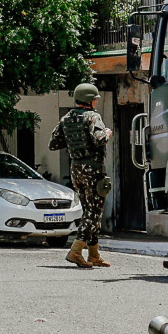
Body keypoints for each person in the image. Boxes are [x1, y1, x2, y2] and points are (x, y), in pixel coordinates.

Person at [51, 83, 112, 268]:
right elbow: (99, 138)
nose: (96, 102)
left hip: (76, 169)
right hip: (93, 170)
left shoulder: (66, 118)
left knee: (89, 211)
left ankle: (94, 254)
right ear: (89, 100)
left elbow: (53, 144)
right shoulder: (93, 116)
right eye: (94, 99)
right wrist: (107, 133)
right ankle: (76, 250)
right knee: (94, 212)